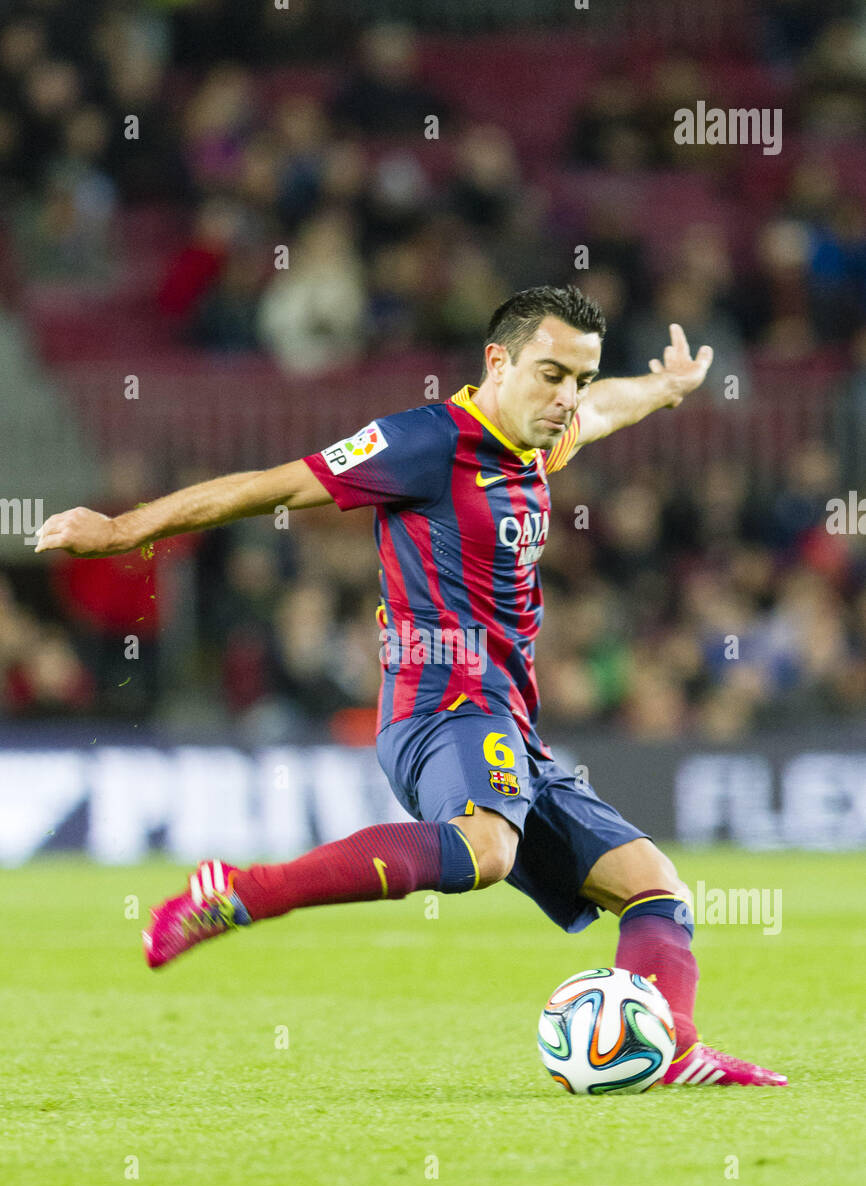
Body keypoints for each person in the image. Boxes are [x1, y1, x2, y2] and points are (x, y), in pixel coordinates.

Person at [36, 285, 785, 1087]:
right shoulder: (424, 443)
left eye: (578, 377)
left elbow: (606, 407)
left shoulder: (541, 439)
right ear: (498, 363)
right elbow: (276, 486)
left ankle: (674, 1050)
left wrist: (664, 389)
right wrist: (123, 530)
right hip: (441, 709)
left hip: (510, 728)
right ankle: (244, 892)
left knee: (655, 888)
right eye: (551, 375)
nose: (567, 398)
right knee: (488, 849)